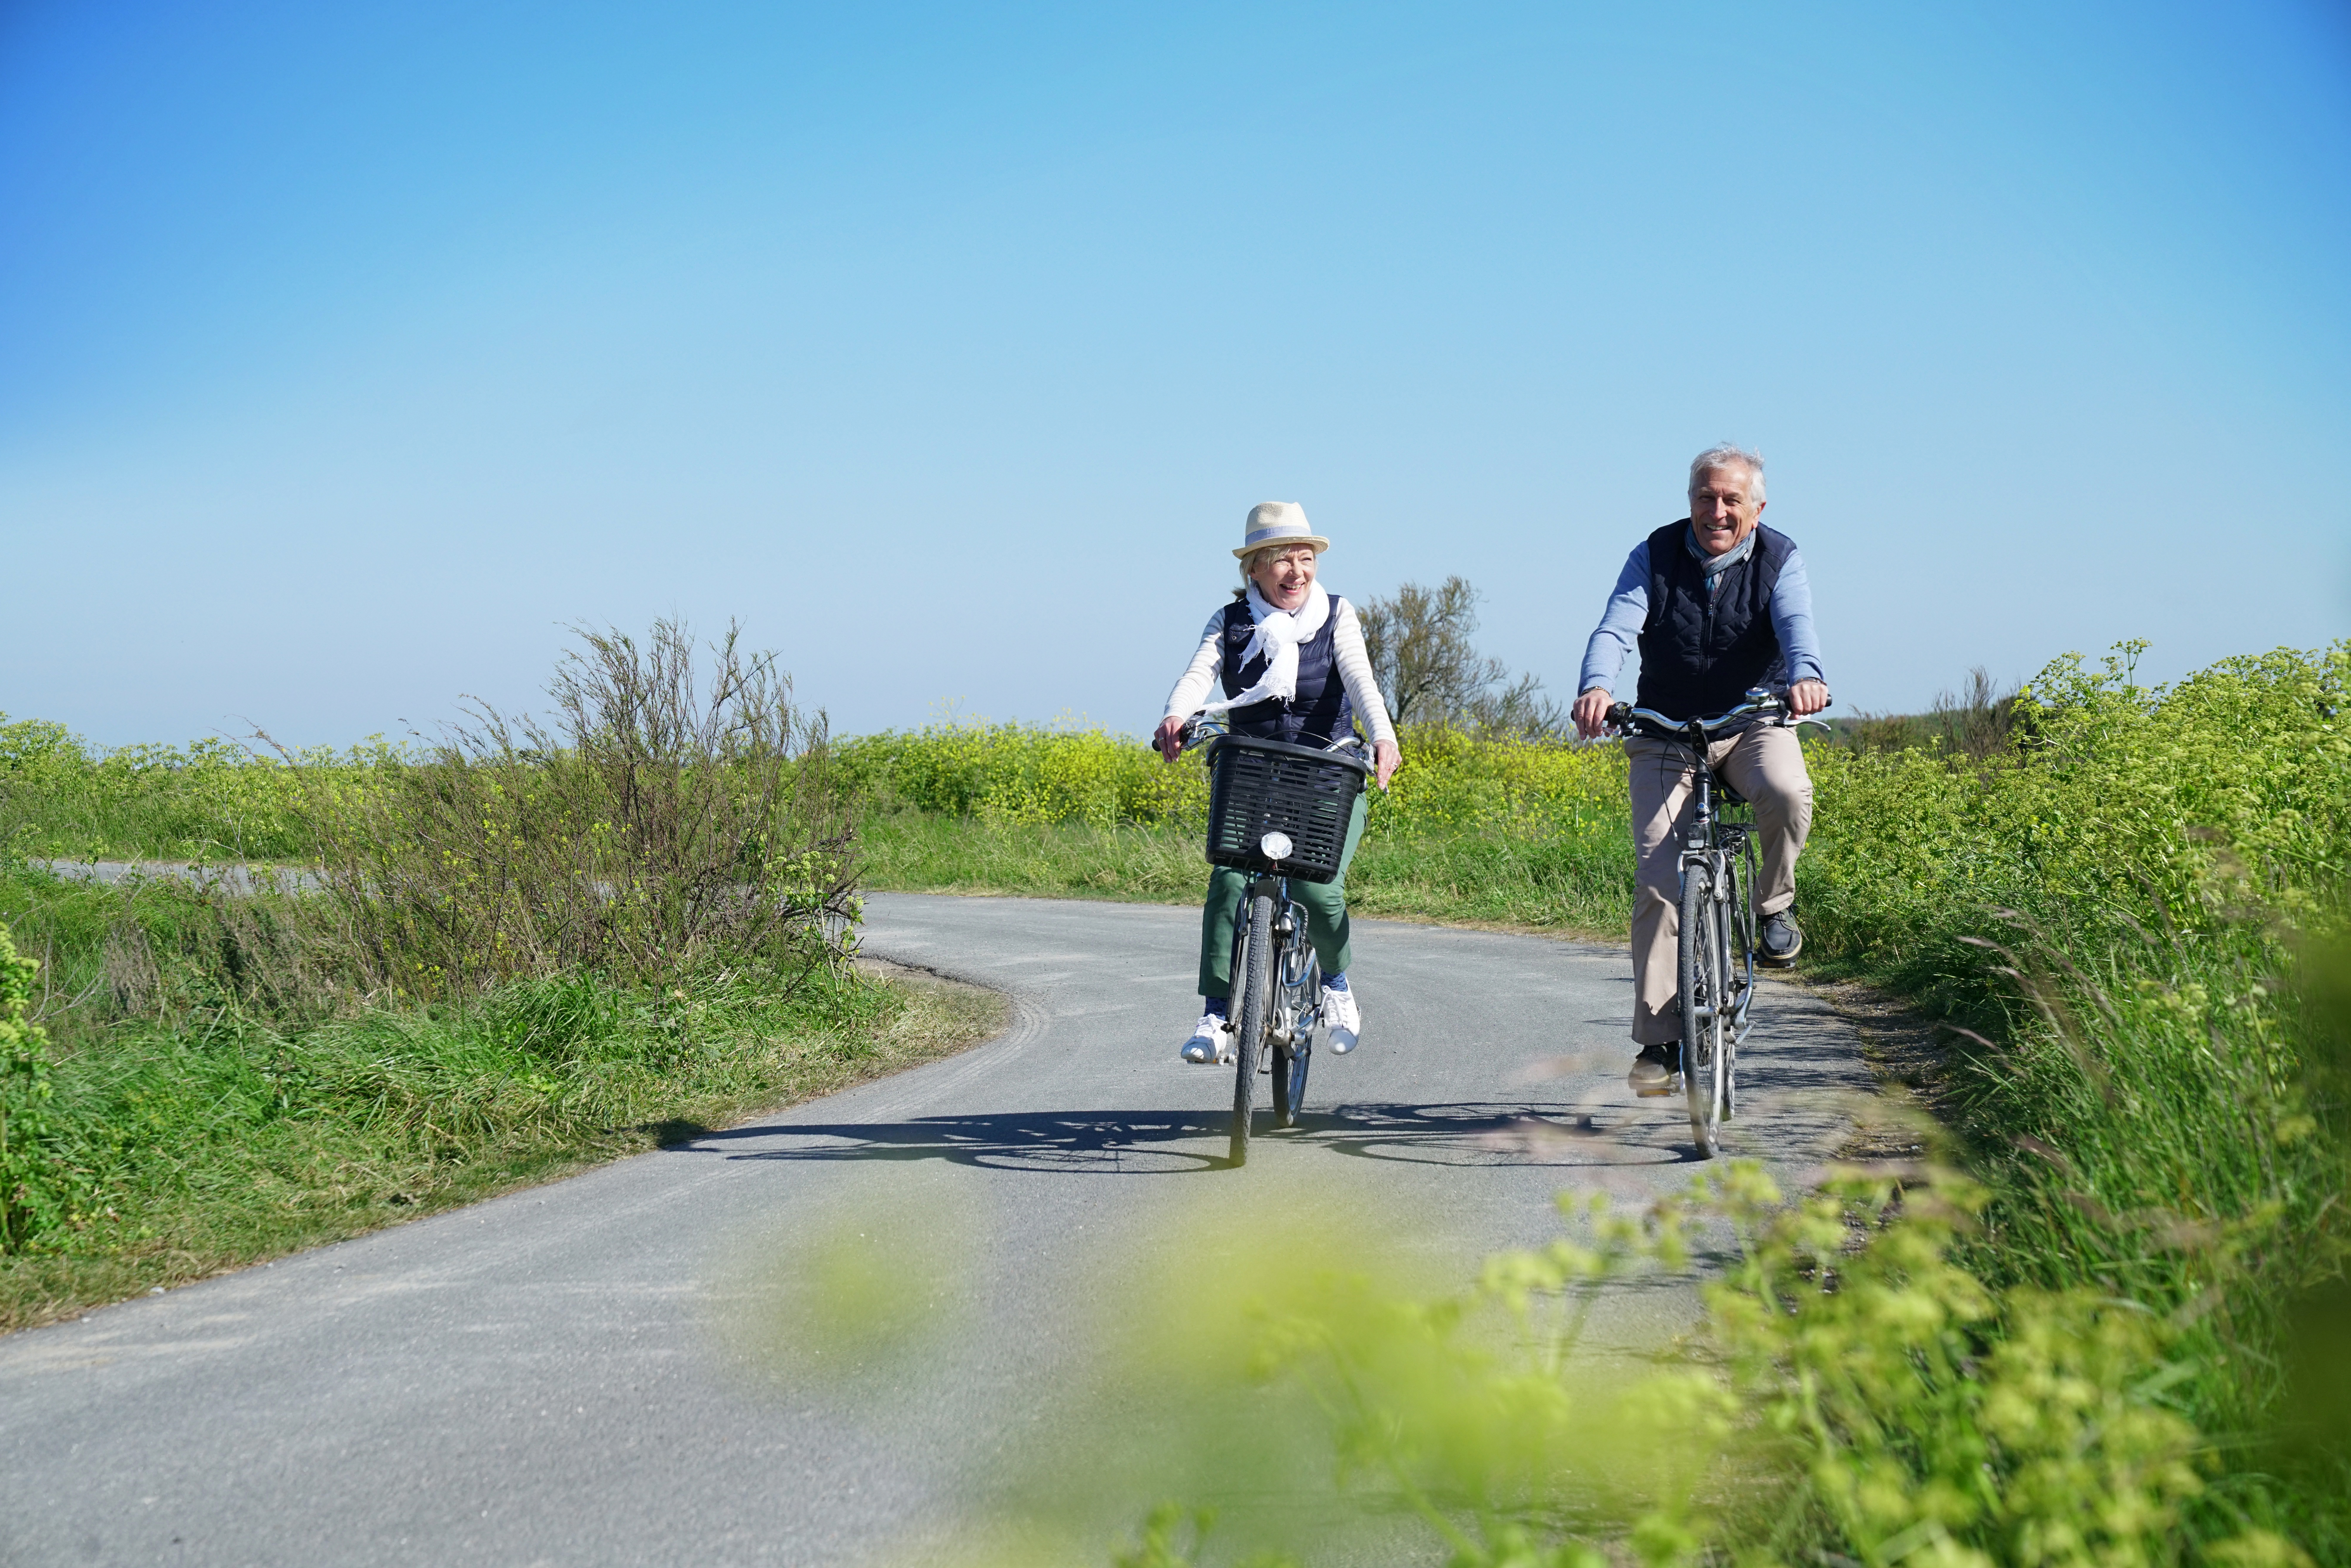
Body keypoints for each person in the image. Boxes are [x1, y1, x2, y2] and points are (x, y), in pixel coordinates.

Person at [1571, 445, 1829, 1096]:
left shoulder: (1779, 557)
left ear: (1756, 507)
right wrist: (1598, 686)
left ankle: (1774, 907)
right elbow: (1615, 627)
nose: (1717, 511)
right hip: (1666, 730)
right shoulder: (1653, 555)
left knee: (1787, 789)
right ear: (1689, 501)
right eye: (1705, 498)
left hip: (1752, 721)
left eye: (1731, 500)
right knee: (1660, 874)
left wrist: (1807, 676)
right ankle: (1660, 1041)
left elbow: (1797, 625)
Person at [1154, 502, 1403, 1065]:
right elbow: (1199, 673)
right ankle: (1217, 1012)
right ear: (1255, 570)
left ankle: (1336, 985)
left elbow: (1361, 679)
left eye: (1305, 557)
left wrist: (1383, 736)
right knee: (1227, 882)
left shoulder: (1338, 616)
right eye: (1282, 559)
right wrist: (1176, 714)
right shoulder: (1230, 621)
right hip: (1255, 779)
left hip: (1328, 777)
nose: (1297, 570)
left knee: (1319, 890)